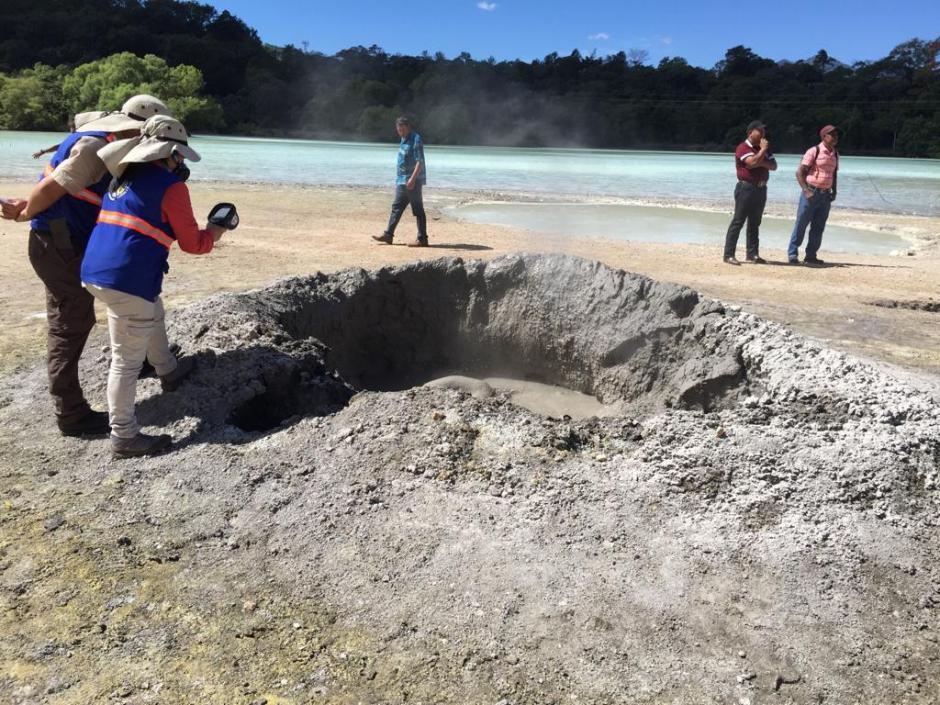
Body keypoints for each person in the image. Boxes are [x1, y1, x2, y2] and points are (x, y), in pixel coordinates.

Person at [0, 95, 171, 437]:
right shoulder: (95, 147)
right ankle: (72, 414)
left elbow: (58, 188)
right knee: (71, 323)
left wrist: (30, 205)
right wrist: (26, 212)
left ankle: (150, 361)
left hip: (62, 239)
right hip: (59, 243)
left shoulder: (103, 142)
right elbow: (53, 187)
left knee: (121, 297)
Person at [80, 115, 229, 459]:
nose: (181, 163)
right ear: (171, 154)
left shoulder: (123, 177)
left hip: (97, 271)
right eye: (179, 156)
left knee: (153, 311)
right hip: (127, 279)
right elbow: (193, 243)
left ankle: (168, 370)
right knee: (126, 361)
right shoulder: (172, 186)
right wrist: (216, 231)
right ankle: (124, 436)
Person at [723, 120, 777, 265]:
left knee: (755, 222)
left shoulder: (764, 148)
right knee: (738, 221)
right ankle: (728, 255)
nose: (763, 134)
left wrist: (760, 159)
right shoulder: (743, 147)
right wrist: (762, 152)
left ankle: (752, 254)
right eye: (760, 131)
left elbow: (773, 166)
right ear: (750, 133)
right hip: (746, 188)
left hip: (761, 188)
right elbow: (751, 163)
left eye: (764, 131)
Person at [788, 125, 840, 266]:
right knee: (801, 224)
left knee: (818, 227)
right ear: (824, 137)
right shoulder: (814, 151)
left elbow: (834, 174)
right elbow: (799, 173)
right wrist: (806, 190)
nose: (835, 136)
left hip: (825, 196)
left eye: (836, 134)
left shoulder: (835, 153)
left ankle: (811, 256)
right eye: (832, 134)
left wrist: (834, 191)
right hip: (811, 193)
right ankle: (792, 254)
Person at [372, 116, 428, 247]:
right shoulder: (403, 139)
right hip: (402, 181)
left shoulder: (416, 139)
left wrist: (413, 179)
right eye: (399, 130)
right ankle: (388, 235)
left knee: (418, 210)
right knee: (396, 208)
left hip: (413, 182)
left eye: (402, 129)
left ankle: (422, 239)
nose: (400, 132)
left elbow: (420, 162)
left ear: (408, 127)